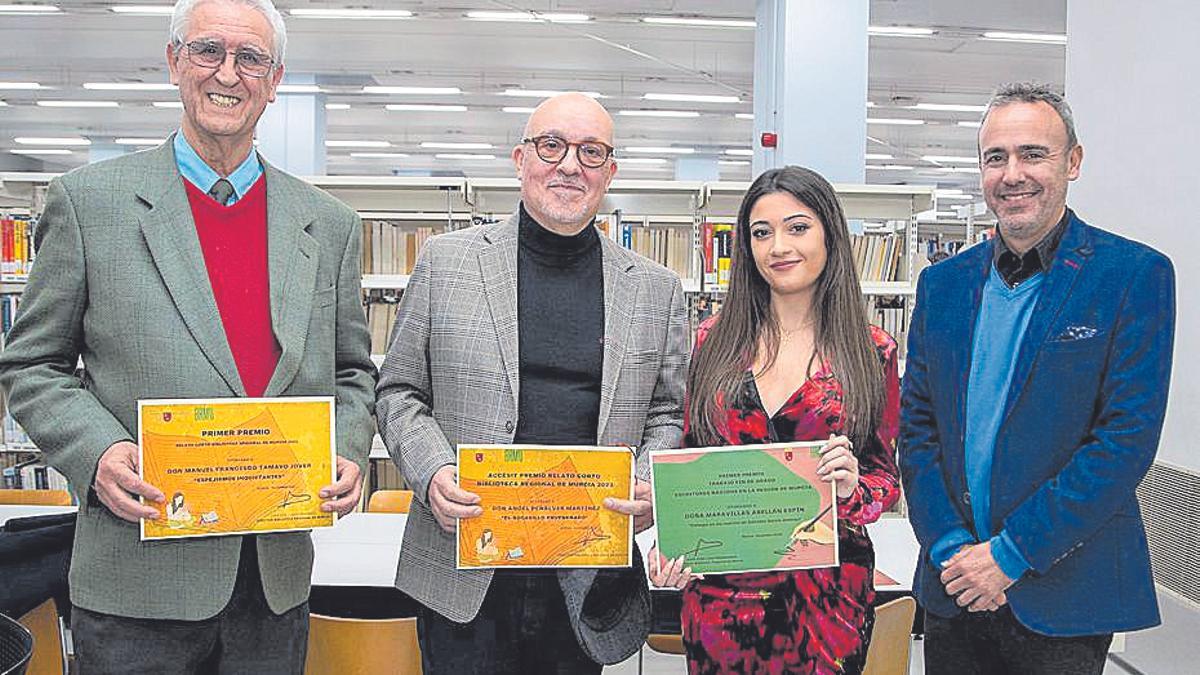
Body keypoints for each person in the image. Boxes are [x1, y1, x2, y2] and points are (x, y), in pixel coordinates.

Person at [0, 0, 377, 672]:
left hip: (272, 582)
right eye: (208, 50)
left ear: (275, 78)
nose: (227, 72)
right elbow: (33, 364)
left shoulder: (329, 224)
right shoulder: (88, 204)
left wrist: (348, 446)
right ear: (174, 62)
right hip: (136, 582)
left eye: (250, 57)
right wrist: (100, 449)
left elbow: (353, 370)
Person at [375, 92, 689, 674]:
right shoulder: (446, 262)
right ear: (520, 158)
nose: (570, 165)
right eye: (552, 146)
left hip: (583, 571)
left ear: (610, 172)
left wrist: (647, 481)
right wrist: (434, 473)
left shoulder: (656, 289)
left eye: (591, 152)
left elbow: (668, 414)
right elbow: (399, 392)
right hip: (462, 568)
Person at [899, 82, 1175, 675]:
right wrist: (951, 548)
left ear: (1073, 162)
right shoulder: (942, 286)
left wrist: (1010, 554)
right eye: (995, 158)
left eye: (1033, 154)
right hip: (955, 586)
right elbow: (917, 433)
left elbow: (1124, 441)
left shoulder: (1132, 276)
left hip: (1062, 586)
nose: (1012, 173)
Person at [650, 166, 901, 674]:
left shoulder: (871, 351)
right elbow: (688, 460)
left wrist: (853, 485)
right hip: (723, 596)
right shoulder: (711, 343)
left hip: (826, 601)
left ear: (830, 232)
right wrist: (671, 540)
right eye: (761, 233)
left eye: (798, 227)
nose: (778, 246)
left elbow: (886, 480)